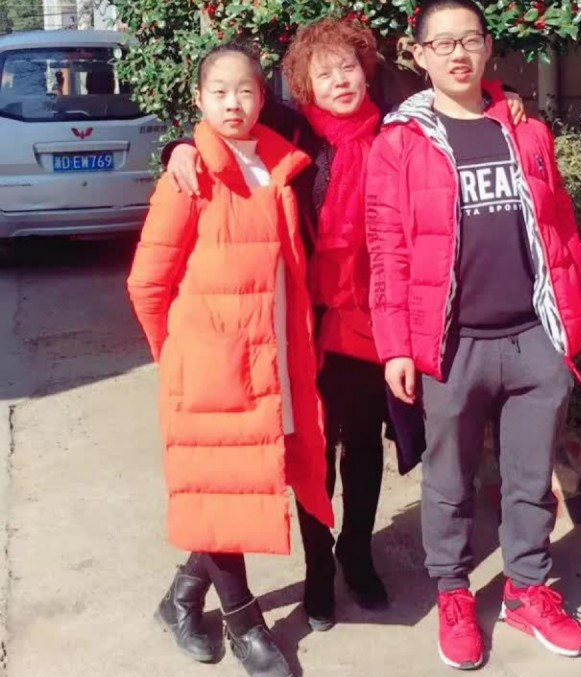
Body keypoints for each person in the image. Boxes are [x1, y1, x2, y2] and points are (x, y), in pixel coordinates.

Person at [164, 18, 527, 632]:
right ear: (304, 84)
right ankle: (316, 569)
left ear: (367, 71)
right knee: (313, 451)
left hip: (371, 318)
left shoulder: (399, 127)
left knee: (361, 446)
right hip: (305, 320)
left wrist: (503, 94)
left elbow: (459, 98)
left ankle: (355, 554)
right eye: (324, 73)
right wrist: (179, 144)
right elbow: (226, 118)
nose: (339, 82)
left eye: (348, 68)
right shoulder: (292, 131)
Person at [365, 0, 581, 671]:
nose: (458, 54)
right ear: (420, 55)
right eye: (442, 43)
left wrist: (564, 323)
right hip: (451, 344)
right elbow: (387, 250)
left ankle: (527, 591)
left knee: (530, 480)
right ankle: (454, 594)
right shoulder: (400, 143)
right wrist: (396, 345)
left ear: (489, 47)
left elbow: (559, 227)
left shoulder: (526, 131)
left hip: (533, 338)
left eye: (469, 40)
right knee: (448, 483)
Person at [127, 41, 333, 677]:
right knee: (224, 485)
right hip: (212, 371)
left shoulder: (276, 162)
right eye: (218, 92)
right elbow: (146, 284)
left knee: (238, 485)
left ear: (262, 96)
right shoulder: (187, 175)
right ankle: (246, 624)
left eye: (244, 90)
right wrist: (179, 355)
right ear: (199, 99)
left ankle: (181, 601)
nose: (233, 103)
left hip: (273, 358)